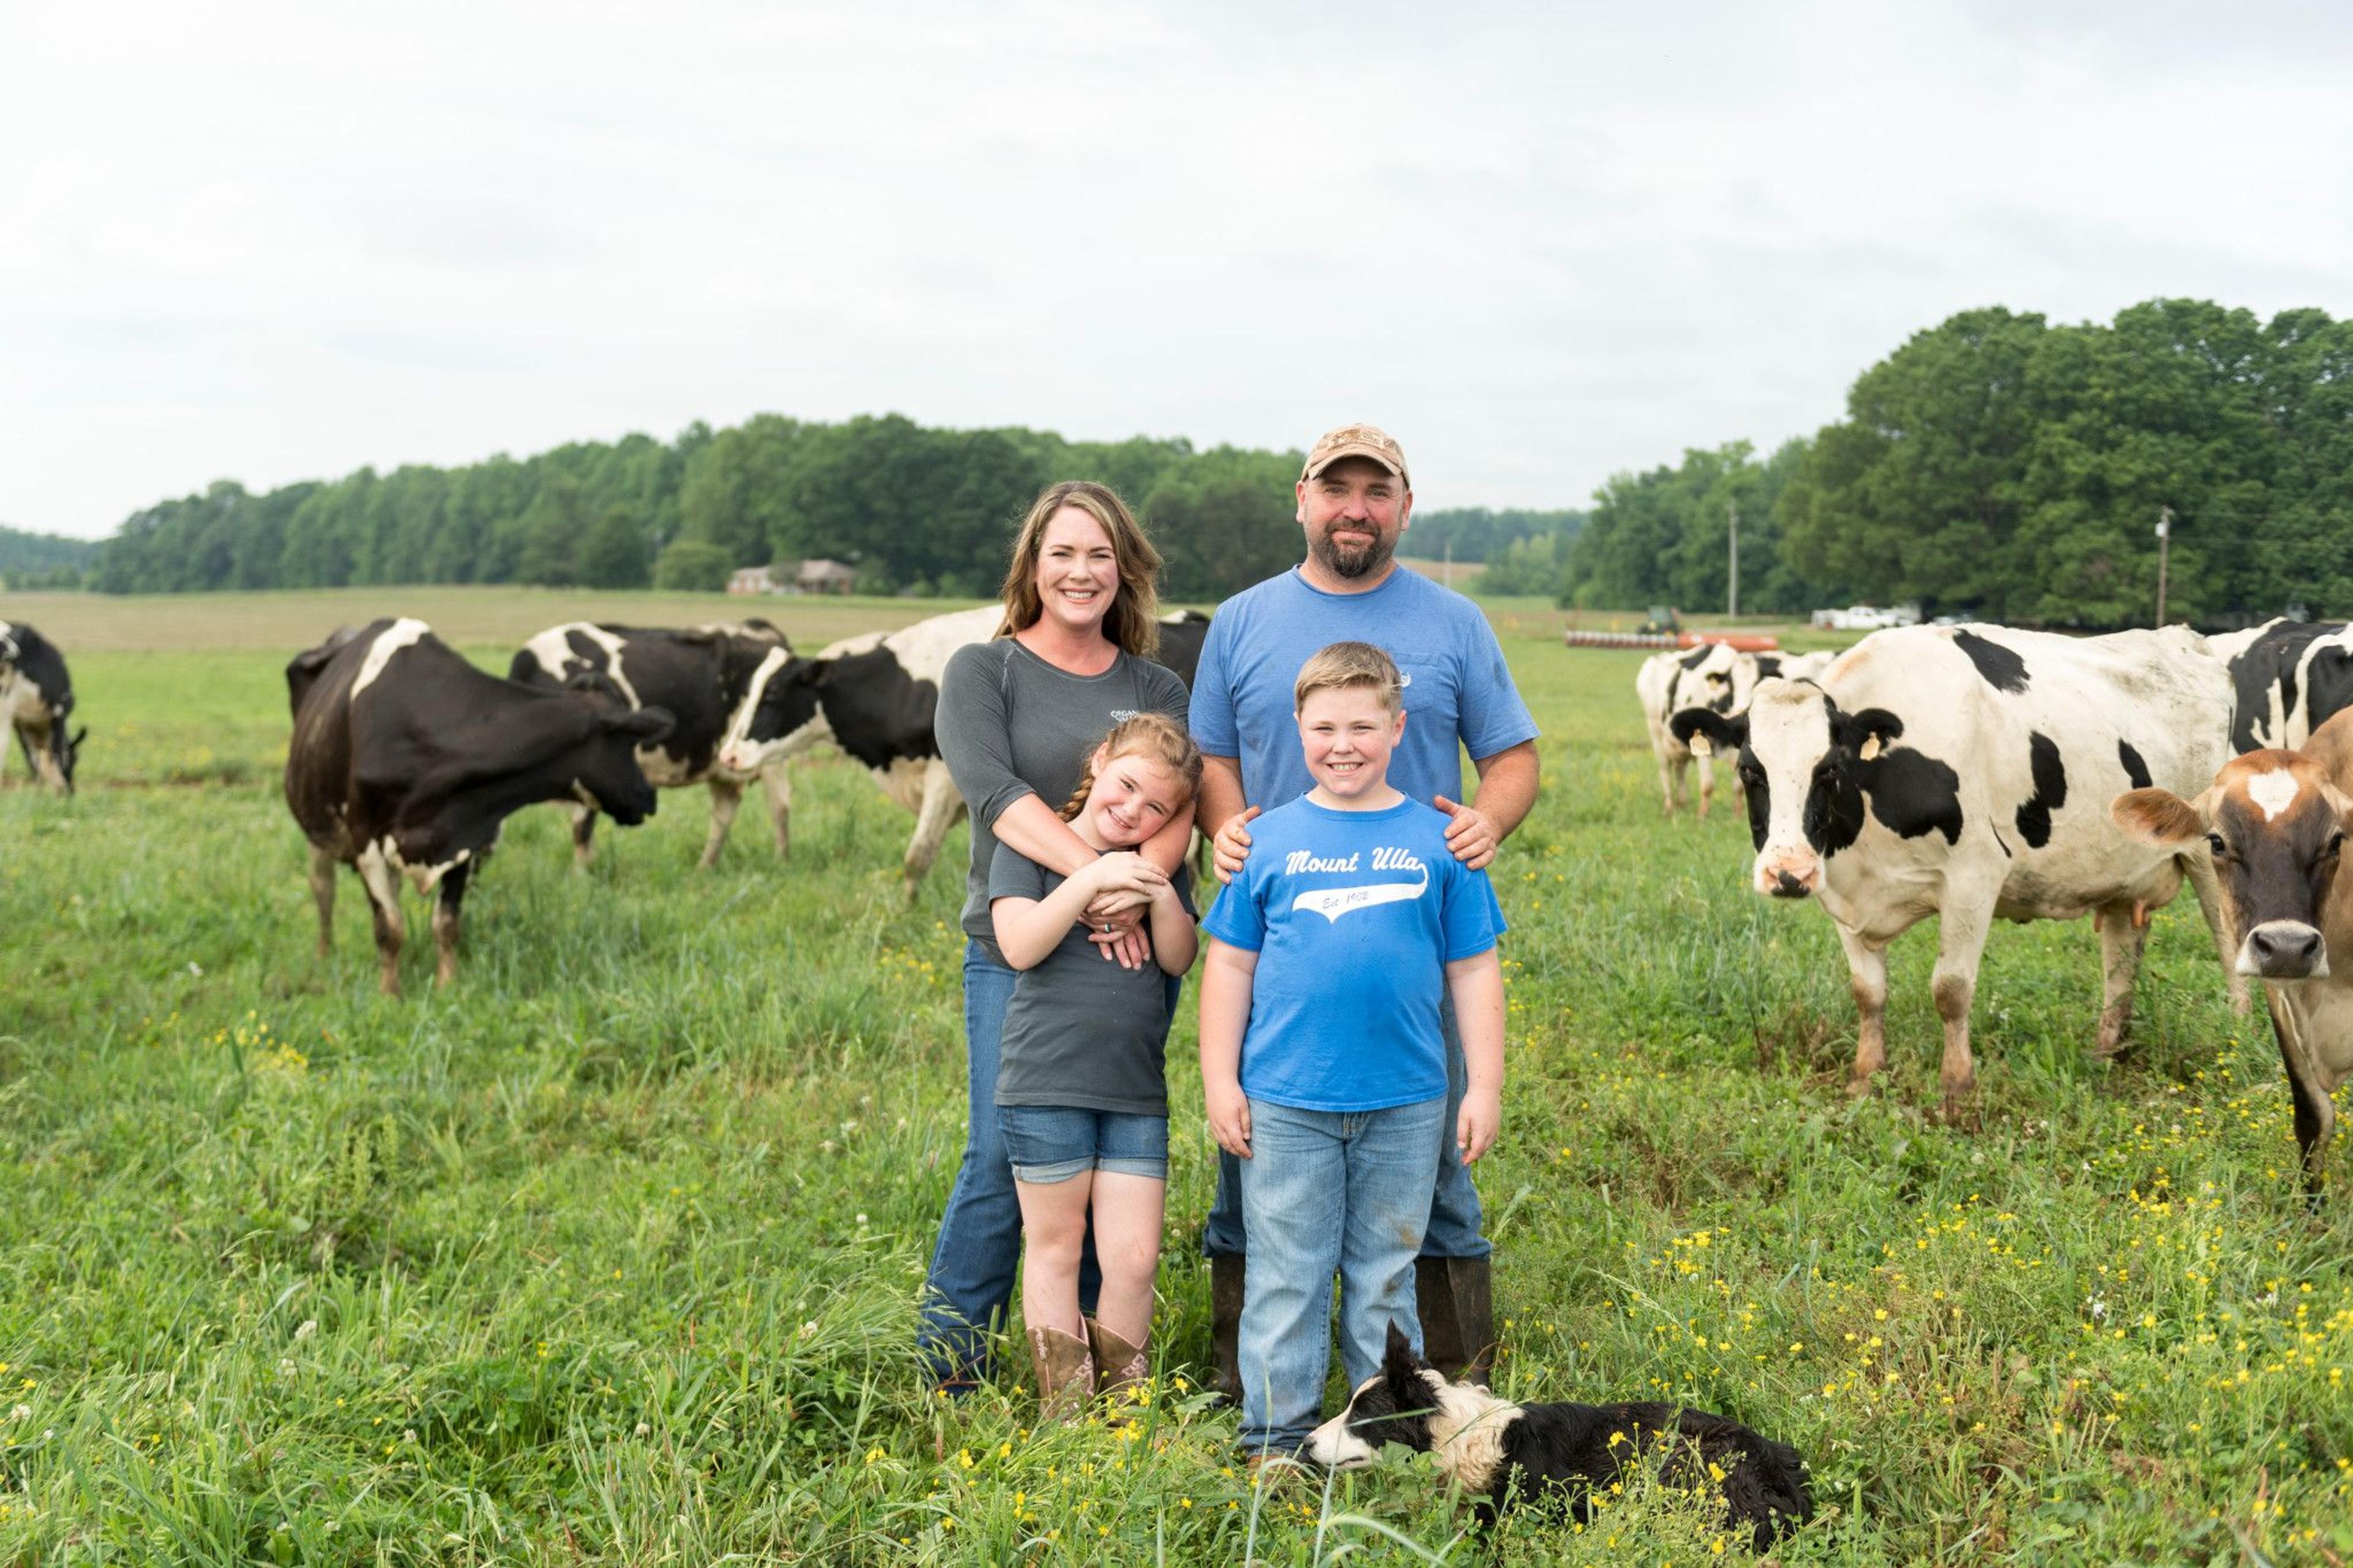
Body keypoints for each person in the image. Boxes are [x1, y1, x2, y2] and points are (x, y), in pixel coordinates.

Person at [1189, 423, 1540, 1393]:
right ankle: (1250, 1377)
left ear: (1404, 507)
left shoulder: (1455, 622)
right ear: (1301, 498)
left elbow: (1511, 757)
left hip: (1414, 941)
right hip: (1282, 938)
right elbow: (1211, 751)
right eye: (1334, 487)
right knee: (1254, 1157)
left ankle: (1443, 1383)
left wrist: (1486, 826)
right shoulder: (1244, 619)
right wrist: (1229, 832)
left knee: (1435, 1167)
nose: (1354, 506)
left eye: (1374, 490)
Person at [1198, 642, 1507, 1458]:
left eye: (1364, 725)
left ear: (1398, 727)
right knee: (1288, 1273)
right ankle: (1274, 1437)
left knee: (1385, 1275)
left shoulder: (1442, 839)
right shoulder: (1264, 841)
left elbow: (1474, 968)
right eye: (1325, 725)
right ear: (1296, 726)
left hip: (1407, 1099)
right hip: (1287, 1097)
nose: (1344, 743)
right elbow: (1229, 964)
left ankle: (1383, 1438)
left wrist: (1485, 1087)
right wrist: (1219, 1079)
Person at [922, 480, 1195, 1392]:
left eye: (1100, 556)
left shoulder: (1154, 684)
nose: (1081, 572)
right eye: (1062, 554)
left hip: (1129, 952)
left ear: (1127, 571)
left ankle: (1083, 1382)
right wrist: (1092, 879)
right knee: (1004, 1152)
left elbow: (1177, 806)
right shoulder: (984, 670)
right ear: (1032, 565)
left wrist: (1138, 880)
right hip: (1020, 945)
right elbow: (995, 794)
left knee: (1101, 1172)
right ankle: (950, 1370)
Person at [990, 714, 1202, 1417]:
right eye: (1128, 785)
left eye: (1157, 809)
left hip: (1135, 1093)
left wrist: (1157, 889)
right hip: (1046, 1083)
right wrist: (1090, 879)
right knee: (1056, 1247)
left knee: (1136, 1257)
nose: (1134, 810)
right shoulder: (1031, 845)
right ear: (1102, 757)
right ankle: (1068, 1414)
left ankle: (1126, 1410)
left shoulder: (1155, 870)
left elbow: (1177, 958)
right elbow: (1019, 944)